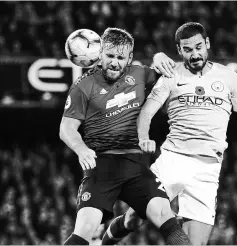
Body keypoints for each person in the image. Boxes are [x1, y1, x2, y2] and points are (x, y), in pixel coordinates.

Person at [103, 22, 237, 245]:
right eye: (188, 50)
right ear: (180, 51)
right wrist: (144, 137)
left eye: (198, 47)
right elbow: (146, 113)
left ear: (207, 44)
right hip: (173, 160)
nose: (195, 54)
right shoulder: (171, 76)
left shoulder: (229, 78)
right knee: (134, 219)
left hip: (208, 169)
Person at [59, 27, 191, 245]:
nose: (114, 62)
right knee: (83, 231)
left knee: (167, 219)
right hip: (101, 167)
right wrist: (81, 149)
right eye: (110, 56)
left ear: (129, 58)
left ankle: (110, 237)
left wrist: (159, 56)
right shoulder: (83, 86)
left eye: (121, 57)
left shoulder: (139, 74)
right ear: (99, 54)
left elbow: (171, 70)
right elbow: (66, 128)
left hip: (135, 166)